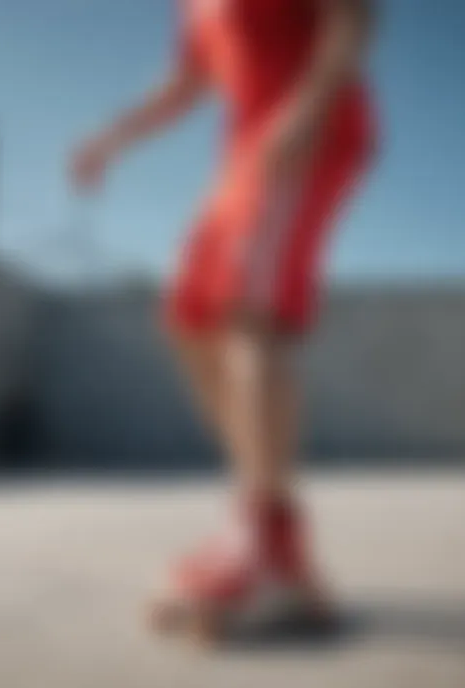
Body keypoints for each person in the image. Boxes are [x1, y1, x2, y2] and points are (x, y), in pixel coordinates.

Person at [70, 0, 378, 640]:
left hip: (305, 127)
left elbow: (351, 13)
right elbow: (186, 82)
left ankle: (267, 547)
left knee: (248, 314)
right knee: (187, 317)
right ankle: (272, 538)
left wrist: (310, 106)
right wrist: (111, 136)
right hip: (242, 153)